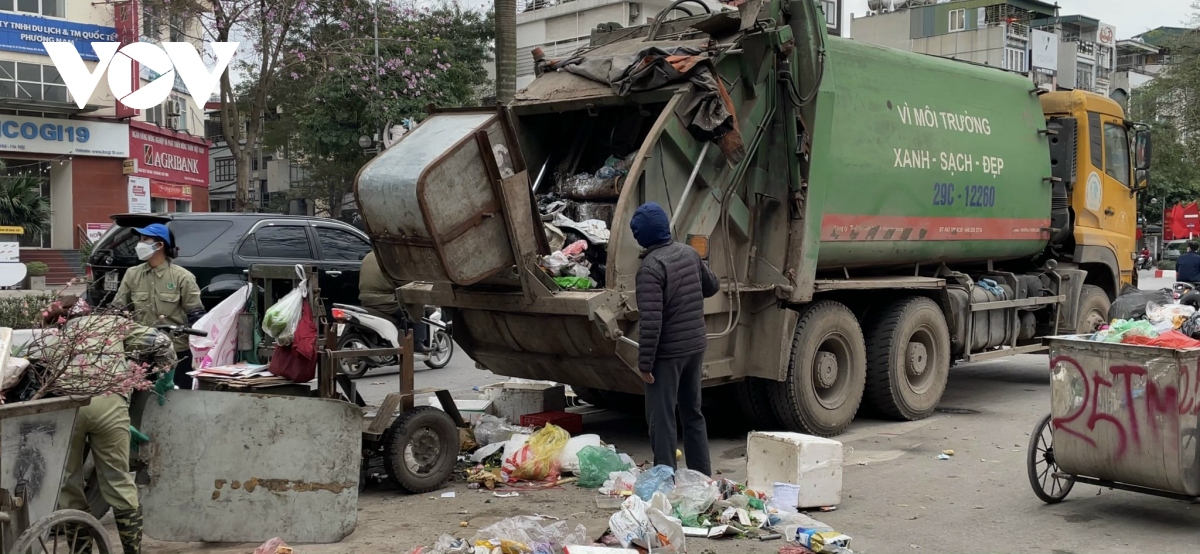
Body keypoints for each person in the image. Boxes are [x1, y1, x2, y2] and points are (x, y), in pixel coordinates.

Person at [42, 296, 177, 554]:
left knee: (69, 483)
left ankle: (80, 551)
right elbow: (161, 342)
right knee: (118, 480)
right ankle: (131, 551)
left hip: (67, 408)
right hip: (108, 404)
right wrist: (164, 373)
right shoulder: (111, 323)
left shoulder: (50, 335)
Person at [629, 202, 720, 476]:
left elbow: (652, 322)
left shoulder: (650, 268)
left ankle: (665, 480)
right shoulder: (689, 253)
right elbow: (712, 286)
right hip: (695, 346)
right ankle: (701, 477)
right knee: (693, 413)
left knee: (662, 419)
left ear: (642, 237)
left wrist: (645, 364)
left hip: (668, 355)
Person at [112, 223, 205, 389]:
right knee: (141, 399)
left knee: (176, 399)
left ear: (159, 245)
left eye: (145, 239)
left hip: (175, 352)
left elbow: (196, 315)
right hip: (141, 351)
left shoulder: (182, 277)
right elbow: (118, 310)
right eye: (140, 239)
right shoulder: (132, 274)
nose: (139, 244)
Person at [359, 250, 429, 352]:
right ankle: (417, 342)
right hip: (385, 301)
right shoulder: (391, 259)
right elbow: (404, 282)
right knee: (414, 310)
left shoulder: (368, 256)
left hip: (365, 299)